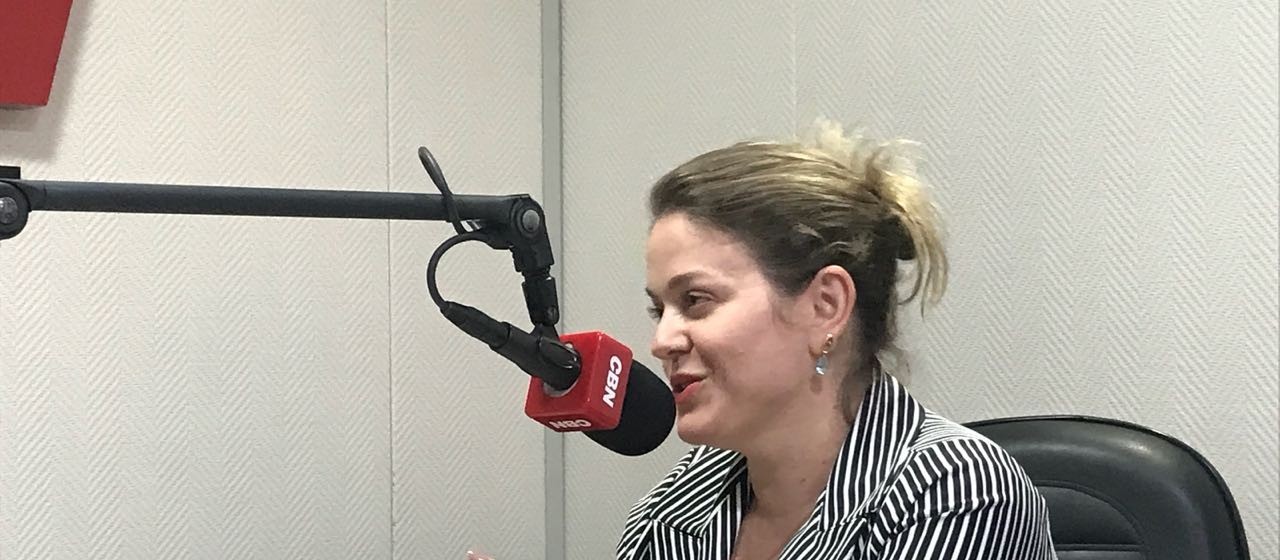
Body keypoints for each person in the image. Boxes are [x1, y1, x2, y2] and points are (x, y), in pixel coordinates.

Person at [615, 120, 1058, 559]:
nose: (661, 341)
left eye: (695, 300)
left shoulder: (960, 494)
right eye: (659, 310)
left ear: (825, 306)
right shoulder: (679, 501)